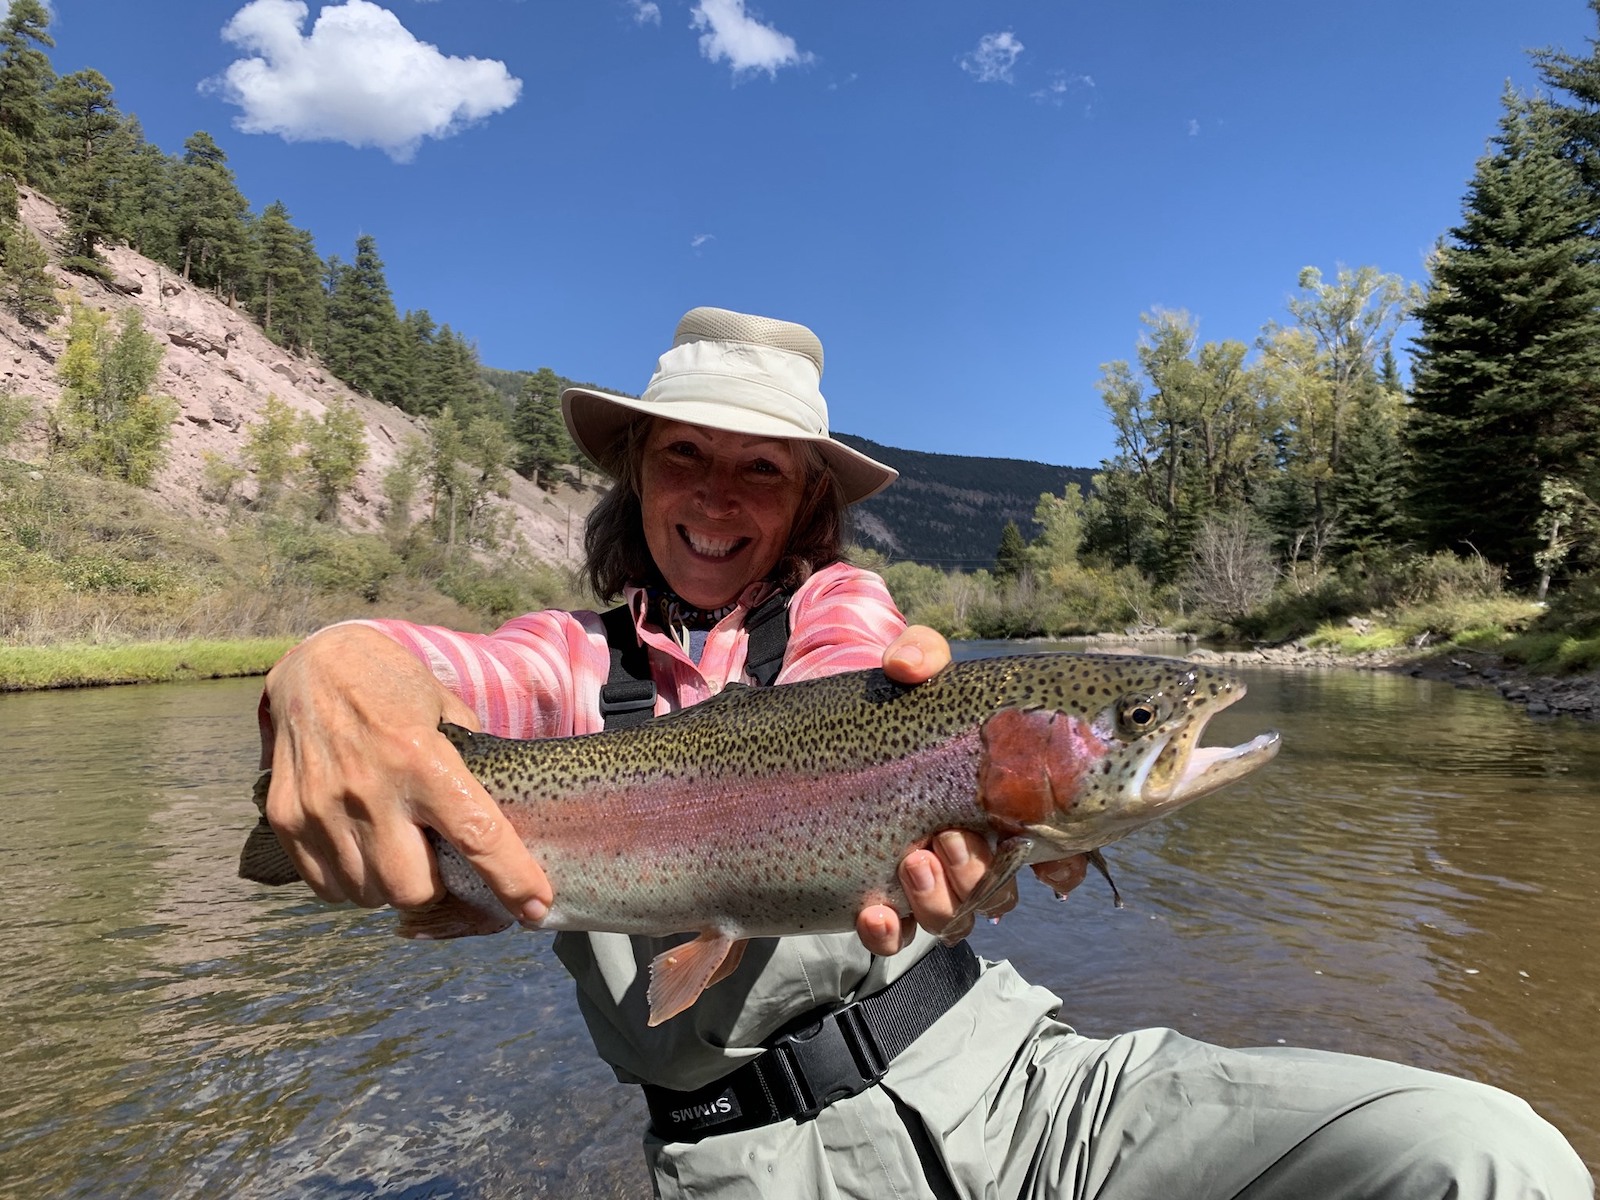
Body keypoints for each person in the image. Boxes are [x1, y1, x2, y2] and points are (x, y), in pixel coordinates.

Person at [258, 307, 1591, 1199]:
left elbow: (869, 669)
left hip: (1025, 1088)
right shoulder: (562, 665)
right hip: (746, 1168)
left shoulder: (850, 626)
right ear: (636, 477)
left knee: (1480, 1154)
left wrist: (1034, 822)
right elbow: (433, 675)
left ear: (810, 504)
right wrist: (330, 668)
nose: (719, 498)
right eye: (684, 459)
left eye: (763, 471)